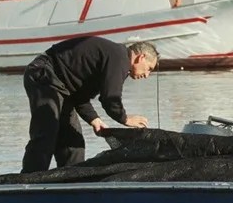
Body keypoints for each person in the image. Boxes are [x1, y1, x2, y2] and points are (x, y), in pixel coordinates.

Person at [21, 36, 158, 173]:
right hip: (45, 73)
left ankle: (70, 184)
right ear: (141, 57)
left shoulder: (116, 59)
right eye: (149, 68)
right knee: (47, 133)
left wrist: (94, 119)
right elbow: (110, 98)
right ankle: (26, 183)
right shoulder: (120, 58)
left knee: (74, 143)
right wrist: (126, 119)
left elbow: (80, 96)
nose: (147, 75)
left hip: (63, 88)